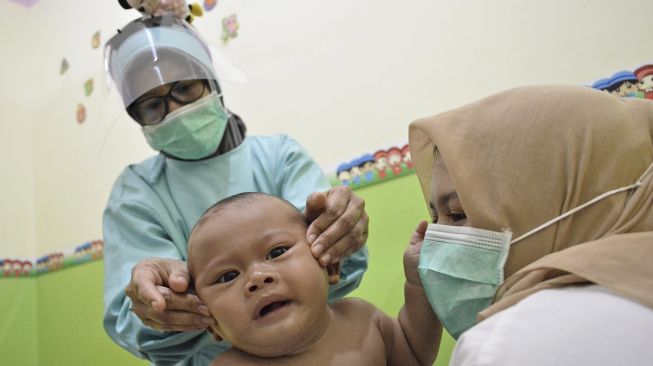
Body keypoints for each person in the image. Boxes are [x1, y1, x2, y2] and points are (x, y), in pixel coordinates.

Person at [102, 15, 369, 365]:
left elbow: (336, 260)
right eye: (152, 105)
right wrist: (161, 304)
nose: (176, 110)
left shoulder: (279, 156)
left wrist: (339, 233)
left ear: (211, 81)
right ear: (137, 117)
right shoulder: (136, 193)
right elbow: (137, 321)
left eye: (184, 87)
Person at [408, 85, 653, 365]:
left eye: (457, 213)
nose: (437, 239)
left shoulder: (504, 346)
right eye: (435, 217)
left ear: (546, 203)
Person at [187, 192, 441, 366]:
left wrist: (419, 282)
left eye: (277, 252)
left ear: (329, 265)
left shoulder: (361, 319)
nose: (257, 278)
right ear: (211, 323)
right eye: (227, 276)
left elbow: (413, 355)